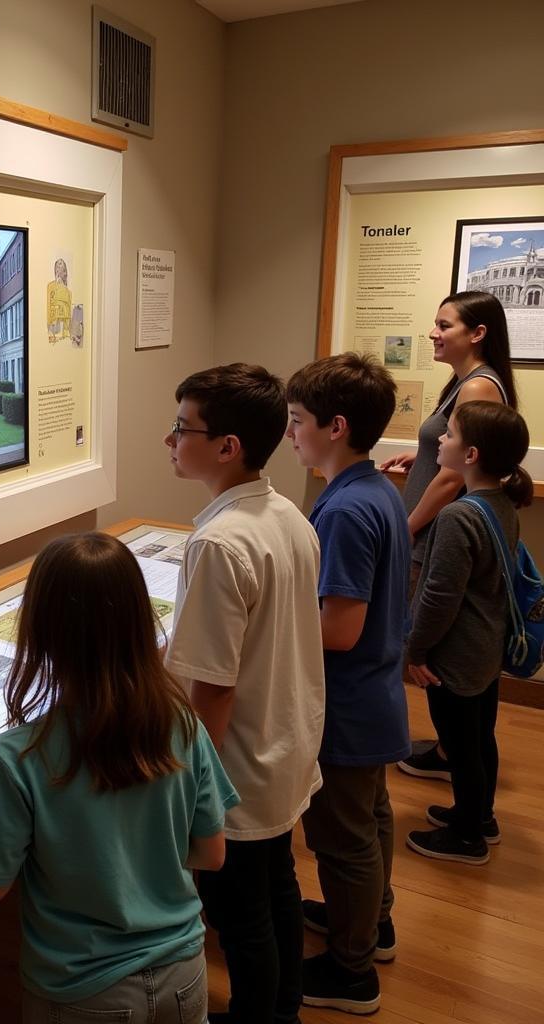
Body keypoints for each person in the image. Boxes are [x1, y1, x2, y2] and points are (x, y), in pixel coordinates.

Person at [0, 532, 238, 1024]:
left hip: (80, 991)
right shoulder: (184, 725)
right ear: (139, 622)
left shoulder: (17, 756)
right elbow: (212, 853)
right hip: (185, 973)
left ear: (39, 633)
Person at [163, 364, 325, 1024]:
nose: (169, 441)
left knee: (239, 915)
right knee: (277, 886)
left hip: (238, 765)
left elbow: (215, 691)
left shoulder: (219, 542)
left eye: (182, 428)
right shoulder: (287, 515)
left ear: (227, 446)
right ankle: (283, 1005)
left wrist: (189, 788)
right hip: (285, 746)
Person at [286, 353, 411, 1015]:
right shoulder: (375, 491)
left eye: (298, 421)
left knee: (341, 839)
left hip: (348, 704)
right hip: (377, 698)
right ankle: (373, 923)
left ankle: (352, 969)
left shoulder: (343, 512)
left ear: (335, 426)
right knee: (372, 821)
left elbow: (339, 629)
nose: (289, 433)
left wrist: (274, 611)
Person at [380, 292, 516, 781]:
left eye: (444, 325)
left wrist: (406, 527)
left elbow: (455, 476)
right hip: (434, 536)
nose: (433, 333)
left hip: (437, 539)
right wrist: (419, 458)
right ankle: (449, 753)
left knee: (440, 658)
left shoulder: (479, 387)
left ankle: (458, 765)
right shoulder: (465, 383)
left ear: (477, 333)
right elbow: (453, 454)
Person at [406, 401, 533, 864]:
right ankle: (480, 816)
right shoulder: (500, 503)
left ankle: (465, 837)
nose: (441, 439)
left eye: (450, 435)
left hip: (455, 656)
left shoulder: (458, 517)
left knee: (460, 745)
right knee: (480, 737)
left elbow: (440, 597)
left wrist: (417, 649)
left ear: (472, 455)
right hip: (485, 649)